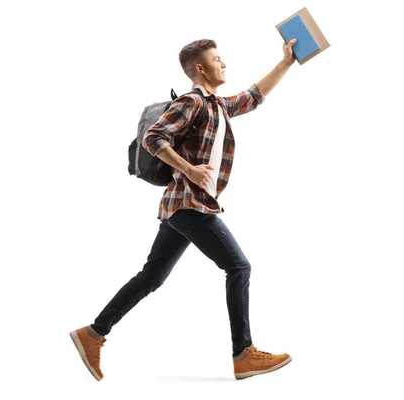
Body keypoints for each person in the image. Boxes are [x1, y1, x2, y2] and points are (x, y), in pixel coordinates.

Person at [70, 37, 297, 381]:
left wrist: (287, 62)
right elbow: (154, 137)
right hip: (190, 205)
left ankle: (93, 333)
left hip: (180, 206)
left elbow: (253, 97)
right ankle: (243, 353)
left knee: (152, 277)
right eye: (218, 59)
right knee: (239, 267)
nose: (225, 64)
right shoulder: (192, 102)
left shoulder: (217, 106)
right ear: (200, 68)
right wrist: (190, 169)